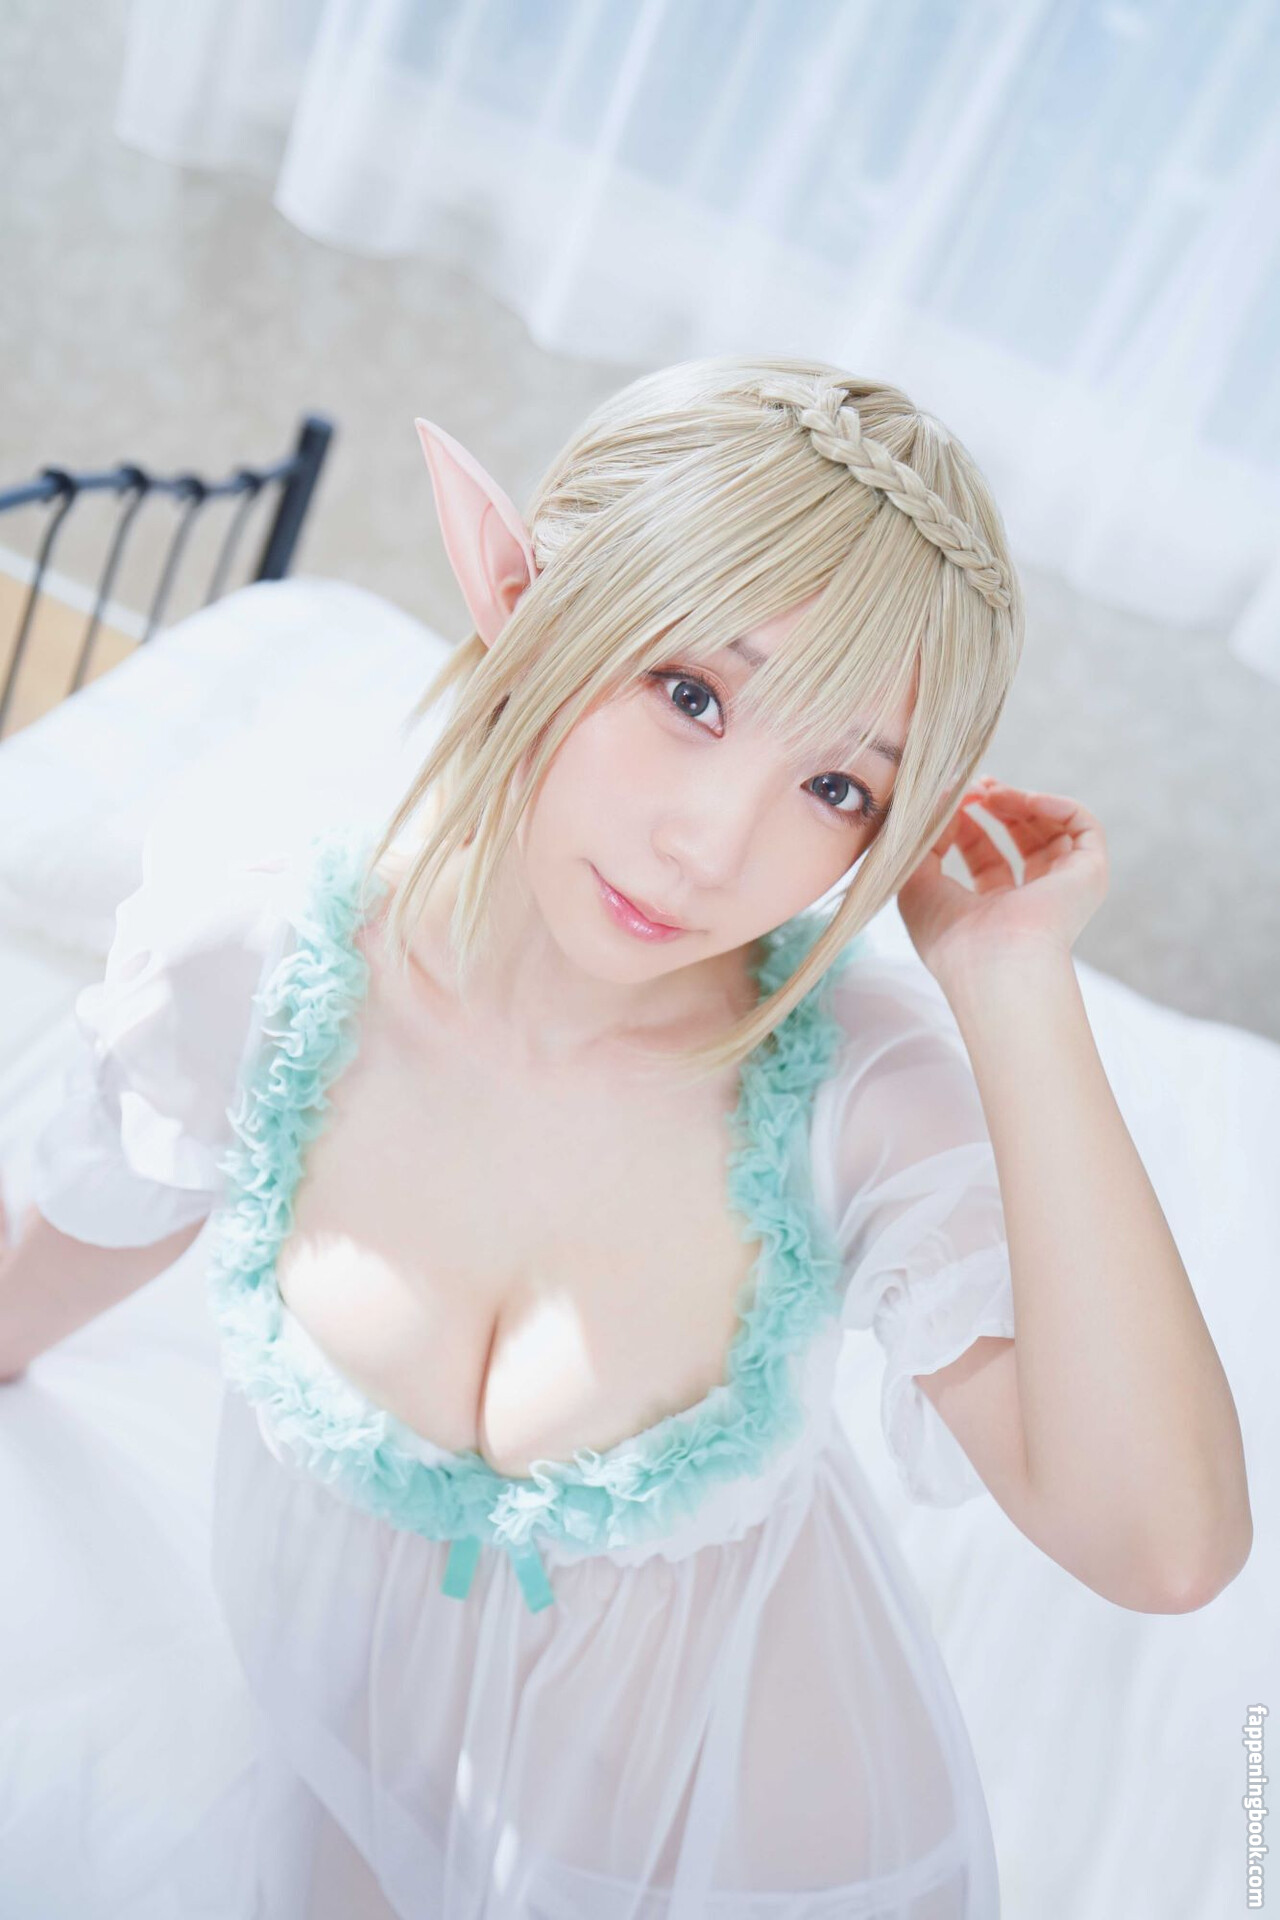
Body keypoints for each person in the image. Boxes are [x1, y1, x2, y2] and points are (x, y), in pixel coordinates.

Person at [0, 355, 1251, 1918]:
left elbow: (1164, 1548)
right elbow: (45, 1268)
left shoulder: (851, 1101)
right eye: (691, 695)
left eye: (837, 785)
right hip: (354, 1797)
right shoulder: (255, 970)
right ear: (526, 598)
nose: (712, 844)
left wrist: (1013, 982)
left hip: (744, 1866)